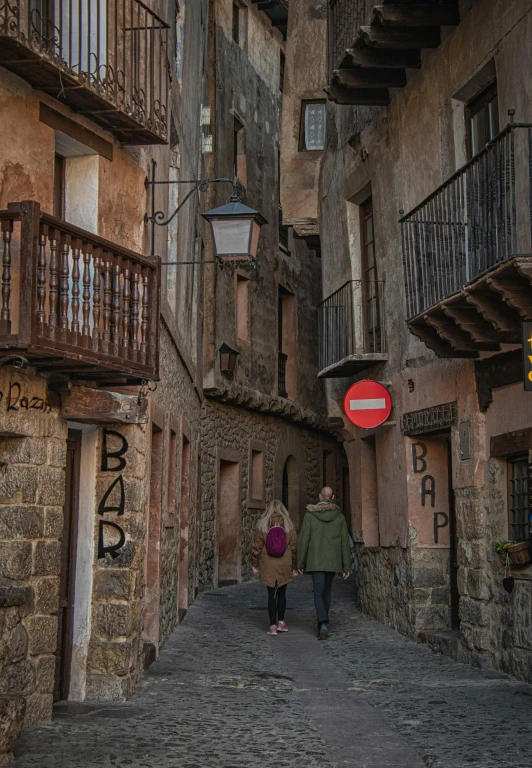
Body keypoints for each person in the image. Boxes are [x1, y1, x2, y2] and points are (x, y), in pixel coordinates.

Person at [297, 486, 350, 640]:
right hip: (333, 561)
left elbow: (304, 540)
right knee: (327, 590)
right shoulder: (339, 517)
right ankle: (323, 620)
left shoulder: (310, 516)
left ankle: (322, 622)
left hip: (316, 560)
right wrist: (346, 565)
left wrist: (300, 562)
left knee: (318, 590)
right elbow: (344, 543)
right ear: (332, 498)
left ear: (320, 497)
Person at [251, 499, 298, 636]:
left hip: (268, 562)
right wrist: (294, 565)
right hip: (284, 562)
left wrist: (254, 563)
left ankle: (272, 626)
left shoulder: (263, 525)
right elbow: (294, 548)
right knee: (282, 593)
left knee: (271, 595)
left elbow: (256, 547)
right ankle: (281, 623)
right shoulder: (289, 525)